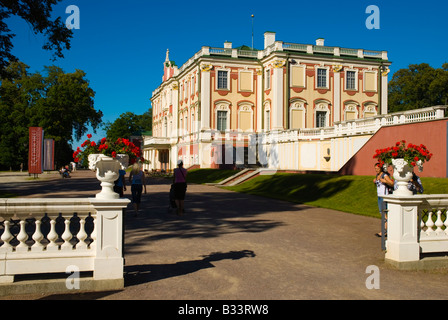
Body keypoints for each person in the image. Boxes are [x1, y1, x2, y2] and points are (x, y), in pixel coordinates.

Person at [374, 163, 394, 237]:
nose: (376, 170)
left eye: (378, 168)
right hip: (379, 196)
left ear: (381, 168)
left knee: (384, 214)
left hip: (384, 196)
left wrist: (385, 181)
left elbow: (392, 183)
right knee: (383, 214)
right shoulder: (377, 175)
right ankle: (385, 230)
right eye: (375, 169)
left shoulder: (384, 175)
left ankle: (385, 231)